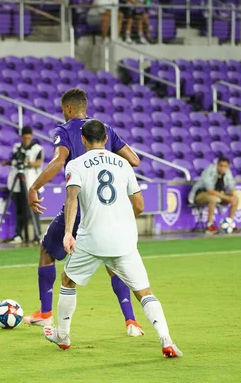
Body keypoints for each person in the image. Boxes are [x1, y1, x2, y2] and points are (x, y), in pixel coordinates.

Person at [42, 119, 183, 358]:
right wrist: (124, 222)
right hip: (124, 240)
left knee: (67, 280)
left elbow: (72, 198)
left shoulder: (75, 165)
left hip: (92, 238)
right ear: (106, 139)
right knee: (144, 292)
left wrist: (68, 233)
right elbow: (139, 203)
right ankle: (166, 339)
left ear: (83, 140)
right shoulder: (124, 163)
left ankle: (63, 335)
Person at [25, 88, 145, 337]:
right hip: (107, 207)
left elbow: (59, 162)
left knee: (47, 251)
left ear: (68, 108)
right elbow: (134, 160)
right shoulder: (104, 130)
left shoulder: (66, 131)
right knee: (114, 262)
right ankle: (131, 321)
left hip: (79, 205)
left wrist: (35, 186)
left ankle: (46, 314)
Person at [2, 126, 44, 244]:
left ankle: (37, 236)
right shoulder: (17, 147)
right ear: (21, 137)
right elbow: (14, 159)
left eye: (28, 138)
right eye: (24, 138)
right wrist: (8, 162)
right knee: (19, 210)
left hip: (32, 183)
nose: (26, 140)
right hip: (18, 183)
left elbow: (39, 163)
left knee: (34, 210)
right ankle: (18, 235)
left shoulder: (37, 148)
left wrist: (28, 162)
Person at [188, 157, 240, 234]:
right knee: (213, 198)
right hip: (200, 194)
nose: (222, 168)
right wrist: (226, 197)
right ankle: (209, 225)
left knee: (235, 199)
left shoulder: (228, 173)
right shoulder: (209, 171)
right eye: (221, 166)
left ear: (228, 167)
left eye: (225, 166)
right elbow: (210, 191)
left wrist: (232, 196)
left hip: (218, 194)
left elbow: (231, 186)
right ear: (217, 165)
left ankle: (230, 223)